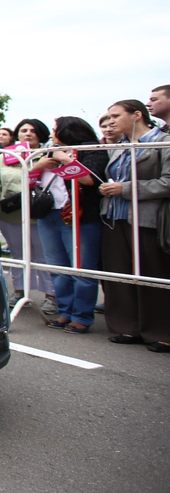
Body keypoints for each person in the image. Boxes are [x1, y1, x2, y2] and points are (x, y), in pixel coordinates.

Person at [98, 99, 170, 353]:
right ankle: (126, 326)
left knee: (152, 273)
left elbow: (167, 182)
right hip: (114, 217)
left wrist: (125, 188)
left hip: (147, 218)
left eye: (116, 116)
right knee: (119, 273)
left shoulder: (163, 142)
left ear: (137, 115)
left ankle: (161, 331)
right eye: (109, 117)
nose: (111, 122)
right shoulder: (119, 146)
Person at [33, 116, 107, 334]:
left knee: (81, 269)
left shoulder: (91, 149)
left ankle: (82, 316)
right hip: (48, 214)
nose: (51, 134)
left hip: (80, 215)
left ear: (68, 131)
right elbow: (28, 179)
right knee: (57, 267)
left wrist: (64, 159)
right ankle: (65, 311)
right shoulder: (48, 152)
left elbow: (89, 180)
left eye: (55, 129)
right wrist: (39, 165)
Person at [0, 119, 55, 312]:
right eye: (24, 130)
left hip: (40, 214)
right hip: (11, 213)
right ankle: (19, 291)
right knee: (17, 254)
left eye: (33, 130)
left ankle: (51, 295)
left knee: (43, 255)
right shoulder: (6, 156)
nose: (28, 133)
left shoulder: (49, 155)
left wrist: (37, 167)